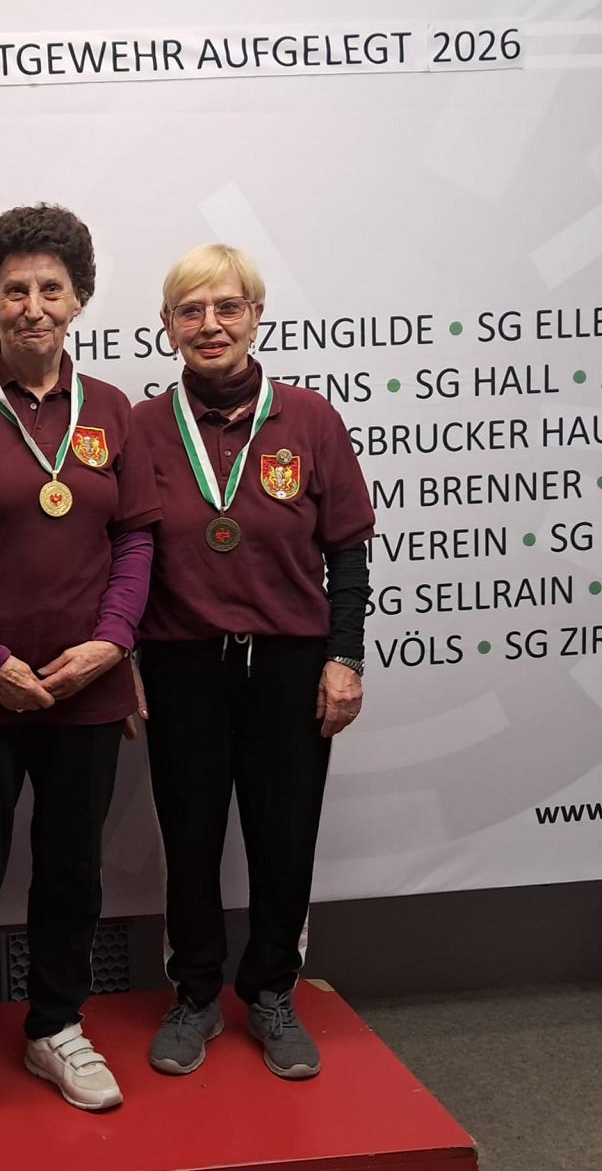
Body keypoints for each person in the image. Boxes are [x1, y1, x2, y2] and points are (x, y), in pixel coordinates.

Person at [0, 204, 161, 1143]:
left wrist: (113, 641)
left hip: (86, 688)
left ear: (79, 298)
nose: (34, 306)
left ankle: (56, 1025)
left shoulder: (114, 411)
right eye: (15, 289)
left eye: (52, 288)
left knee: (72, 872)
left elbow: (136, 540)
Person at [130, 243, 374, 1081]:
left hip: (288, 664)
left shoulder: (310, 420)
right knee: (190, 838)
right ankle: (195, 993)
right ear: (167, 327)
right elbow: (119, 554)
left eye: (228, 307)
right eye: (191, 311)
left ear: (256, 317)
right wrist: (123, 654)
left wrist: (345, 657)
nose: (211, 325)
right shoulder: (139, 427)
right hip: (181, 663)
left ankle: (272, 990)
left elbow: (347, 552)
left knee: (284, 834)